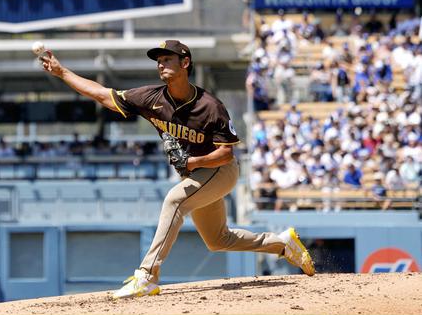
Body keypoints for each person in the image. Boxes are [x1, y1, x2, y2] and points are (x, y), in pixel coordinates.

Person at [38, 38, 315, 298]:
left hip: (221, 170)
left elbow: (226, 153)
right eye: (158, 60)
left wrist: (193, 162)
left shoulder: (210, 106)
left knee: (174, 201)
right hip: (196, 175)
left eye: (167, 59)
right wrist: (62, 72)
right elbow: (102, 95)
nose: (160, 64)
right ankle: (282, 243)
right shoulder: (150, 98)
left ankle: (147, 276)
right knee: (218, 239)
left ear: (185, 63)